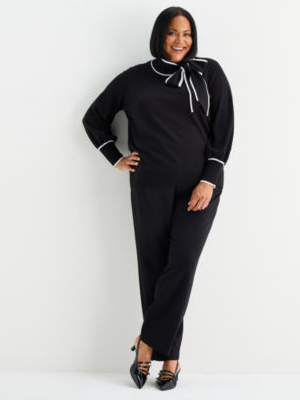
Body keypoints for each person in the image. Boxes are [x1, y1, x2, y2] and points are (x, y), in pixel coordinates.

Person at [82, 6, 234, 391]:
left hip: (198, 187)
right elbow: (93, 118)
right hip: (149, 187)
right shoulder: (133, 80)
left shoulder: (209, 73)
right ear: (159, 36)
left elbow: (223, 132)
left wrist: (209, 180)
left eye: (187, 33)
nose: (180, 41)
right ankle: (172, 359)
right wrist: (115, 157)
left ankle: (147, 343)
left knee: (181, 264)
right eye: (172, 33)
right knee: (154, 269)